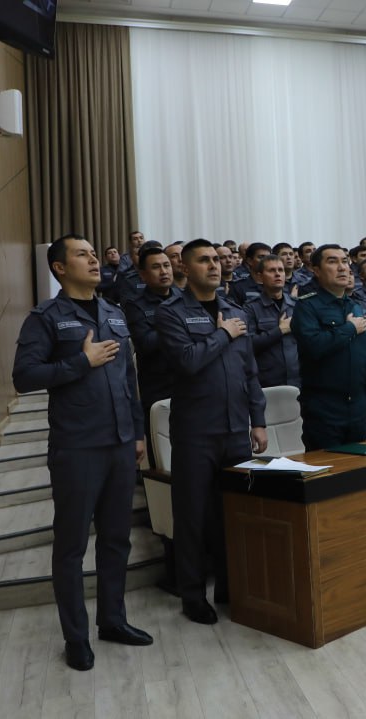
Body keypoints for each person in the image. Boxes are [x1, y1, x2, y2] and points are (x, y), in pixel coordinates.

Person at [11, 234, 151, 672]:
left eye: (94, 254)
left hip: (120, 443)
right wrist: (80, 363)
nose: (93, 260)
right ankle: (76, 637)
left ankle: (113, 620)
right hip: (77, 446)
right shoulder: (45, 318)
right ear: (59, 268)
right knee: (72, 546)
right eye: (82, 255)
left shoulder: (114, 313)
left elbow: (129, 378)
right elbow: (24, 376)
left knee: (116, 538)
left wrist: (138, 433)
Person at [156, 239, 268, 626]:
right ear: (186, 269)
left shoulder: (235, 311)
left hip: (236, 429)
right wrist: (222, 335)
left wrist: (258, 420)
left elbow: (250, 372)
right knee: (192, 517)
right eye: (204, 260)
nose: (214, 266)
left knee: (232, 514)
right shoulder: (171, 313)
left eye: (217, 260)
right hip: (196, 431)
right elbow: (187, 361)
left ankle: (229, 588)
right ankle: (192, 596)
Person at [292, 245, 366, 449]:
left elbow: (365, 358)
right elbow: (314, 346)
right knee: (327, 467)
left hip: (357, 408)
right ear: (316, 270)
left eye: (345, 261)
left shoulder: (355, 306)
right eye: (332, 261)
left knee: (359, 466)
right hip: (324, 408)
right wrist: (349, 328)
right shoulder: (307, 306)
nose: (342, 267)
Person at [121, 246, 182, 462]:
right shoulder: (134, 304)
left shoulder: (184, 297)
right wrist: (176, 326)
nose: (164, 271)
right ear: (143, 274)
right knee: (162, 453)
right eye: (156, 267)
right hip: (158, 386)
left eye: (166, 265)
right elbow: (145, 343)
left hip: (188, 382)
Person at [244, 255, 300, 388]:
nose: (278, 274)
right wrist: (279, 331)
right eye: (272, 270)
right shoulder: (251, 308)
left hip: (298, 380)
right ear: (259, 277)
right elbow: (248, 344)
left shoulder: (297, 305)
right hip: (267, 382)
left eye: (281, 270)